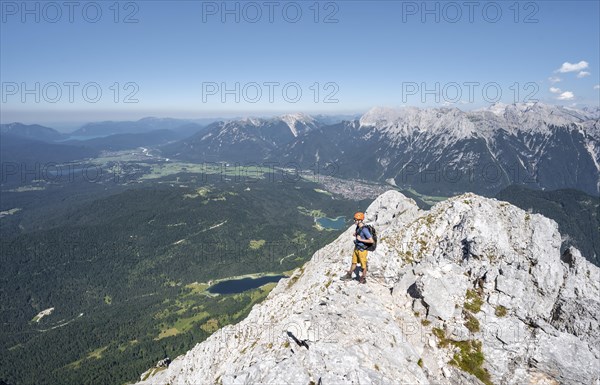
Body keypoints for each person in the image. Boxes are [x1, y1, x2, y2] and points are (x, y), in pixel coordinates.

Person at [341, 212, 373, 284]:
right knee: (354, 262)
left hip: (362, 250)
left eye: (355, 219)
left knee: (363, 265)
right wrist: (356, 234)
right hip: (357, 247)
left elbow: (371, 240)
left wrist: (361, 240)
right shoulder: (358, 227)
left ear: (359, 220)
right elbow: (359, 234)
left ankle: (363, 278)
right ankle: (349, 274)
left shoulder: (365, 230)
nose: (354, 221)